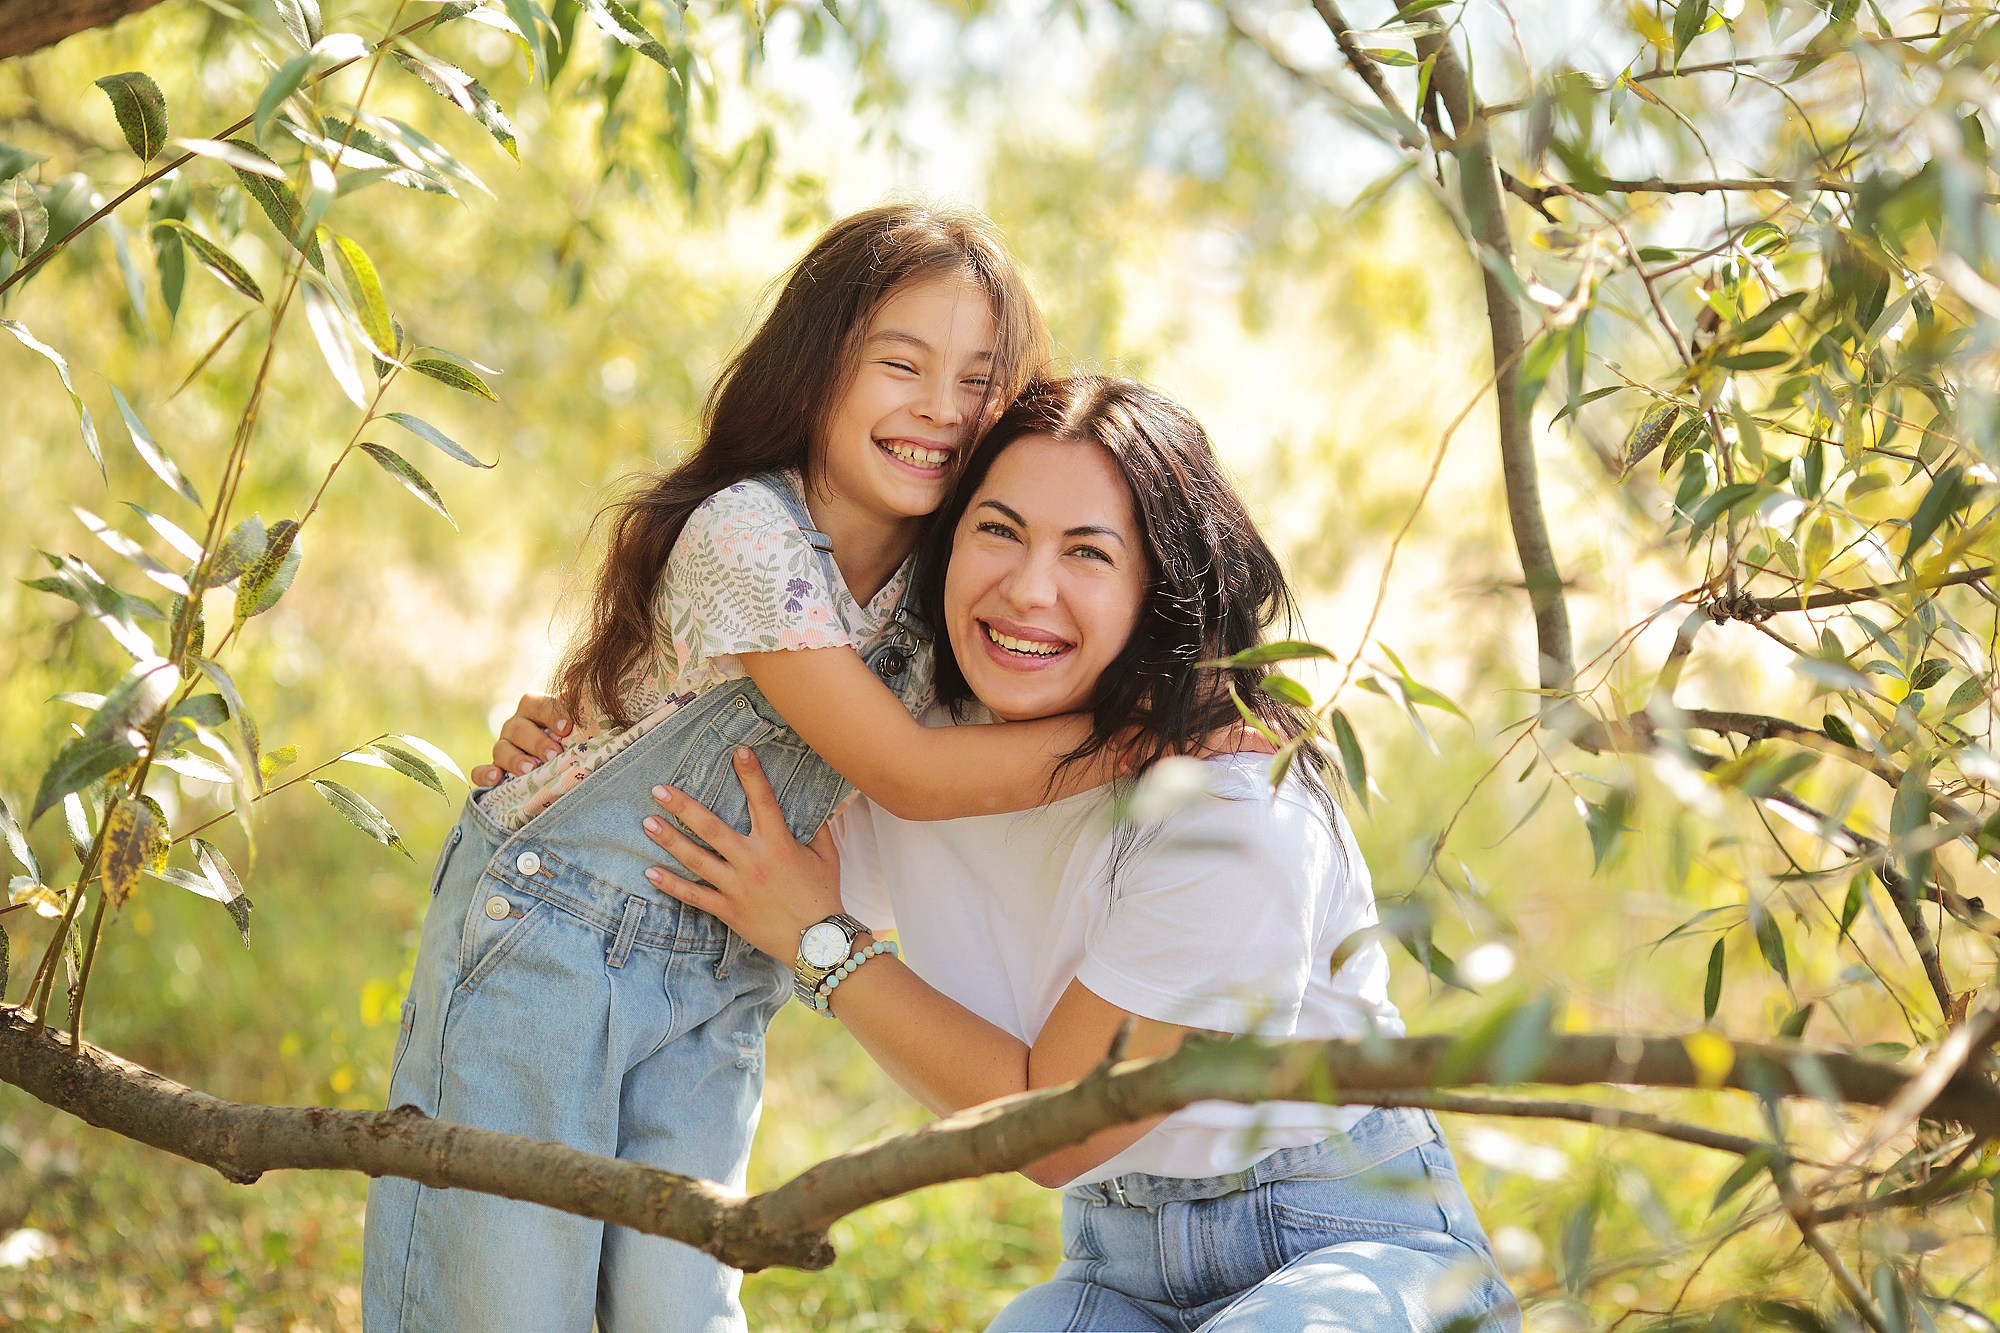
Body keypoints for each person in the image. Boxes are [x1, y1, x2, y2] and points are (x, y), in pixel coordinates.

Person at [363, 207, 1132, 1333]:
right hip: (554, 942)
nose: (939, 408)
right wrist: (1145, 736)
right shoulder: (745, 532)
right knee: (502, 1293)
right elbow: (911, 772)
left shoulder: (945, 579)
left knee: (679, 1301)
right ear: (815, 367)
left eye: (977, 381)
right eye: (901, 364)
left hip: (721, 974)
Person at [630, 377, 1523, 1331]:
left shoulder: (1232, 804)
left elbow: (1055, 1126)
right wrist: (556, 746)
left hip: (1349, 1240)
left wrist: (825, 945)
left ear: (1164, 590)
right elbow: (719, 824)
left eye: (1088, 552)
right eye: (998, 530)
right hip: (1116, 1261)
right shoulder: (918, 740)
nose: (1027, 589)